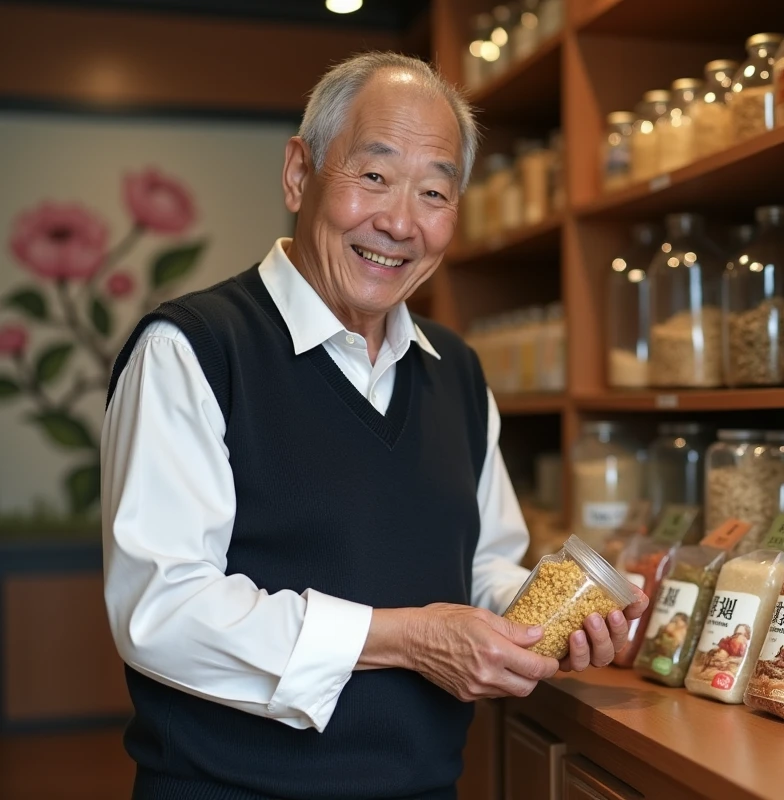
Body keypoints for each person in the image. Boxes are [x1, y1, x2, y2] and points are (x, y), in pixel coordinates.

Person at [101, 51, 647, 800]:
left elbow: (481, 566)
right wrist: (409, 640)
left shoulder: (455, 370)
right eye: (374, 176)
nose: (398, 222)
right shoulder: (193, 350)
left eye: (433, 191)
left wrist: (553, 621)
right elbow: (162, 610)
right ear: (300, 173)